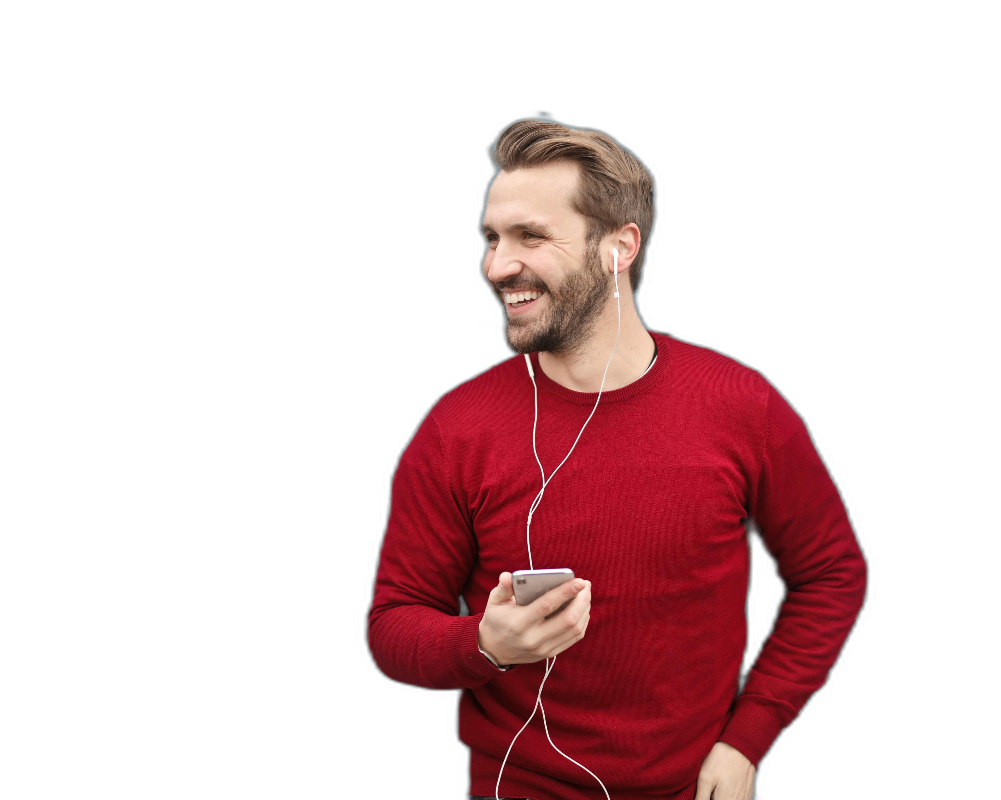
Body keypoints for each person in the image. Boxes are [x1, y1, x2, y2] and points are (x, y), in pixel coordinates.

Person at [365, 118, 869, 800]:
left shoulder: (742, 405)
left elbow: (831, 574)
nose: (497, 266)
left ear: (618, 247)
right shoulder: (455, 430)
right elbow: (394, 623)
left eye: (531, 236)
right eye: (492, 238)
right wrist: (484, 645)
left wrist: (748, 737)